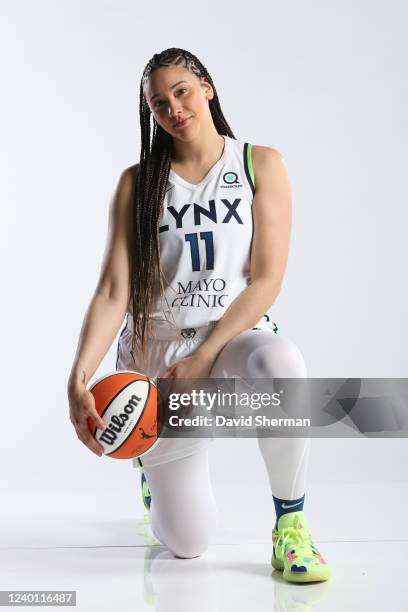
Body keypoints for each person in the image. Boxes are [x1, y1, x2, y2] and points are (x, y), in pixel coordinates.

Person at [67, 47, 331, 583]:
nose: (173, 109)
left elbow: (266, 279)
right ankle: (151, 476)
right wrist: (78, 378)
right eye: (158, 104)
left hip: (231, 338)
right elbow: (114, 290)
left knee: (282, 364)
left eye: (181, 91)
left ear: (207, 87)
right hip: (159, 359)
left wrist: (208, 353)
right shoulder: (136, 183)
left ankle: (291, 525)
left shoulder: (260, 164)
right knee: (188, 544)